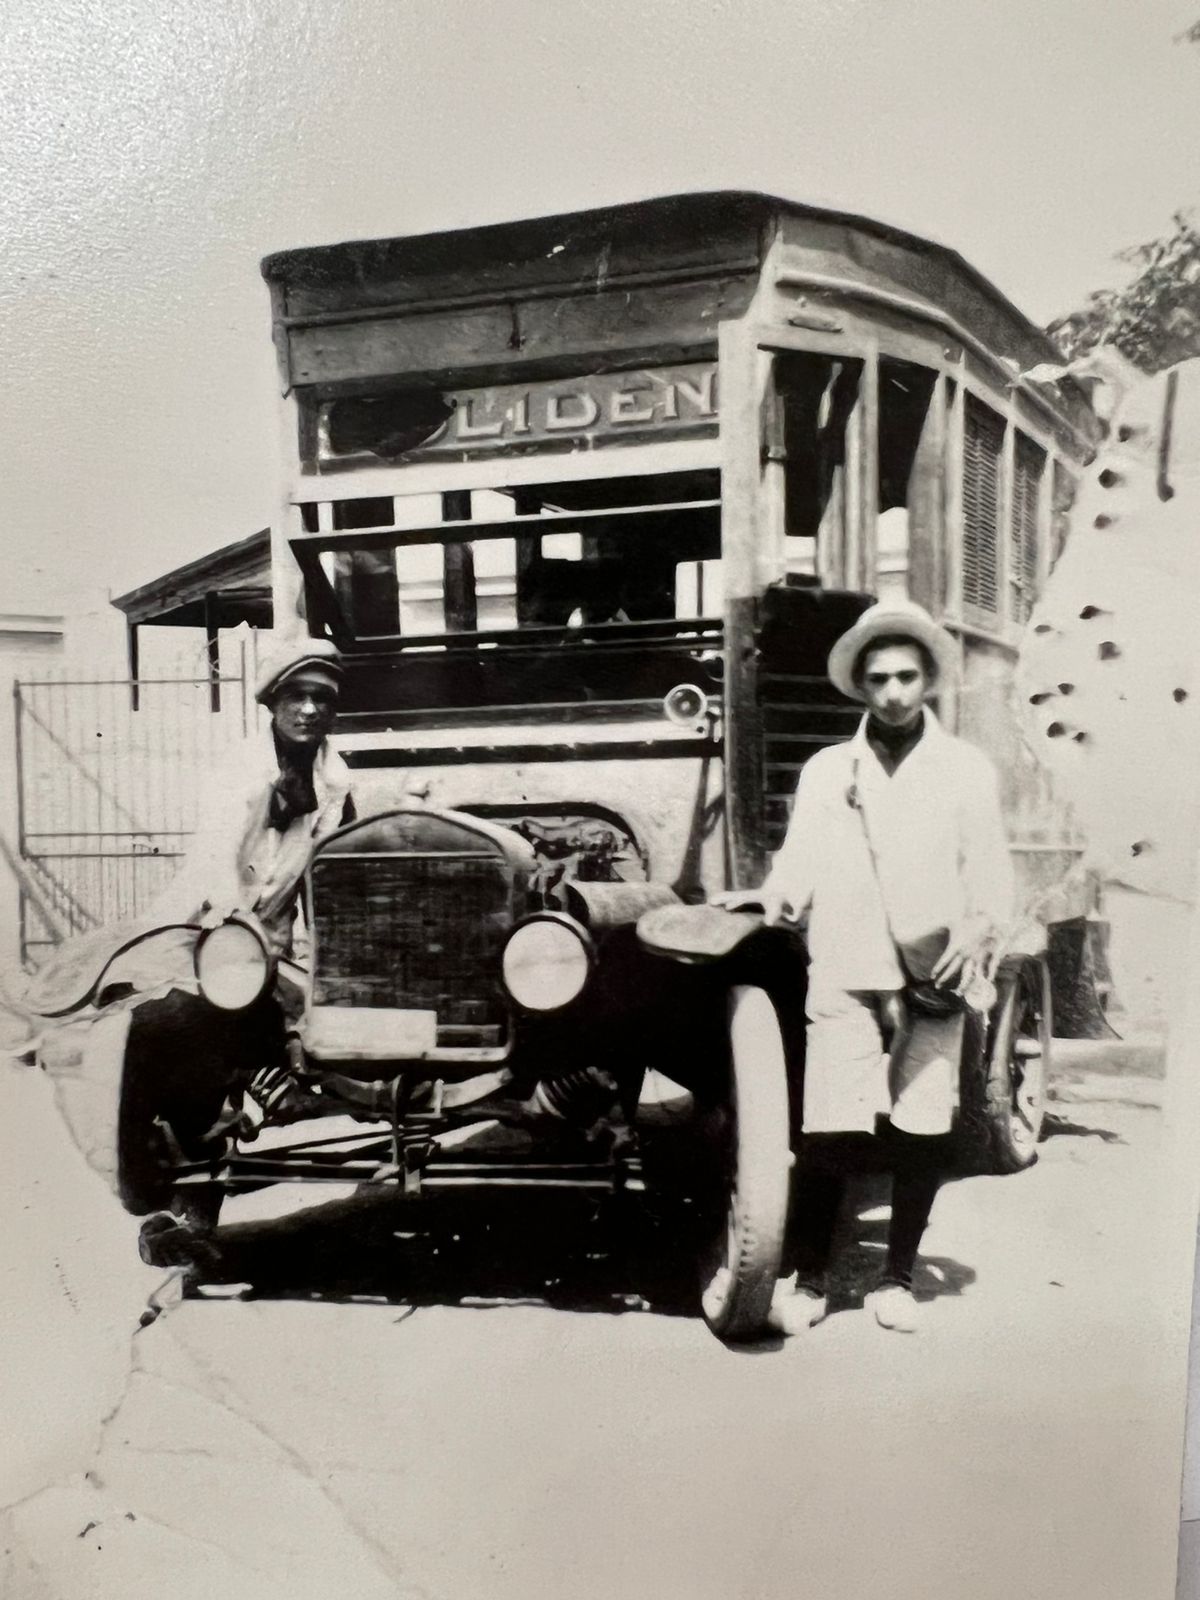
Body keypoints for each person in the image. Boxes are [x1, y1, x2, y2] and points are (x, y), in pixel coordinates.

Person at [714, 600, 1013, 1333]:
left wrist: (982, 923)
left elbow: (991, 868)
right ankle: (812, 1281)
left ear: (929, 681)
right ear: (860, 685)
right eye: (878, 678)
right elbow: (799, 862)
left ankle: (898, 1279)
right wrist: (774, 897)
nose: (893, 692)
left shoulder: (965, 769)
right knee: (830, 1129)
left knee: (921, 1126)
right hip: (846, 959)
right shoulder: (828, 769)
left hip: (933, 970)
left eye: (907, 676)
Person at [108, 637, 355, 1243]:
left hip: (265, 944)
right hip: (202, 928)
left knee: (285, 1039)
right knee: (160, 1033)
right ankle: (156, 1184)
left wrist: (313, 961)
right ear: (271, 702)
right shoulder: (236, 772)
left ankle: (199, 1206)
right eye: (295, 696)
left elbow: (324, 877)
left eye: (321, 698)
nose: (308, 710)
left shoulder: (336, 778)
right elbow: (215, 872)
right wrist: (236, 949)